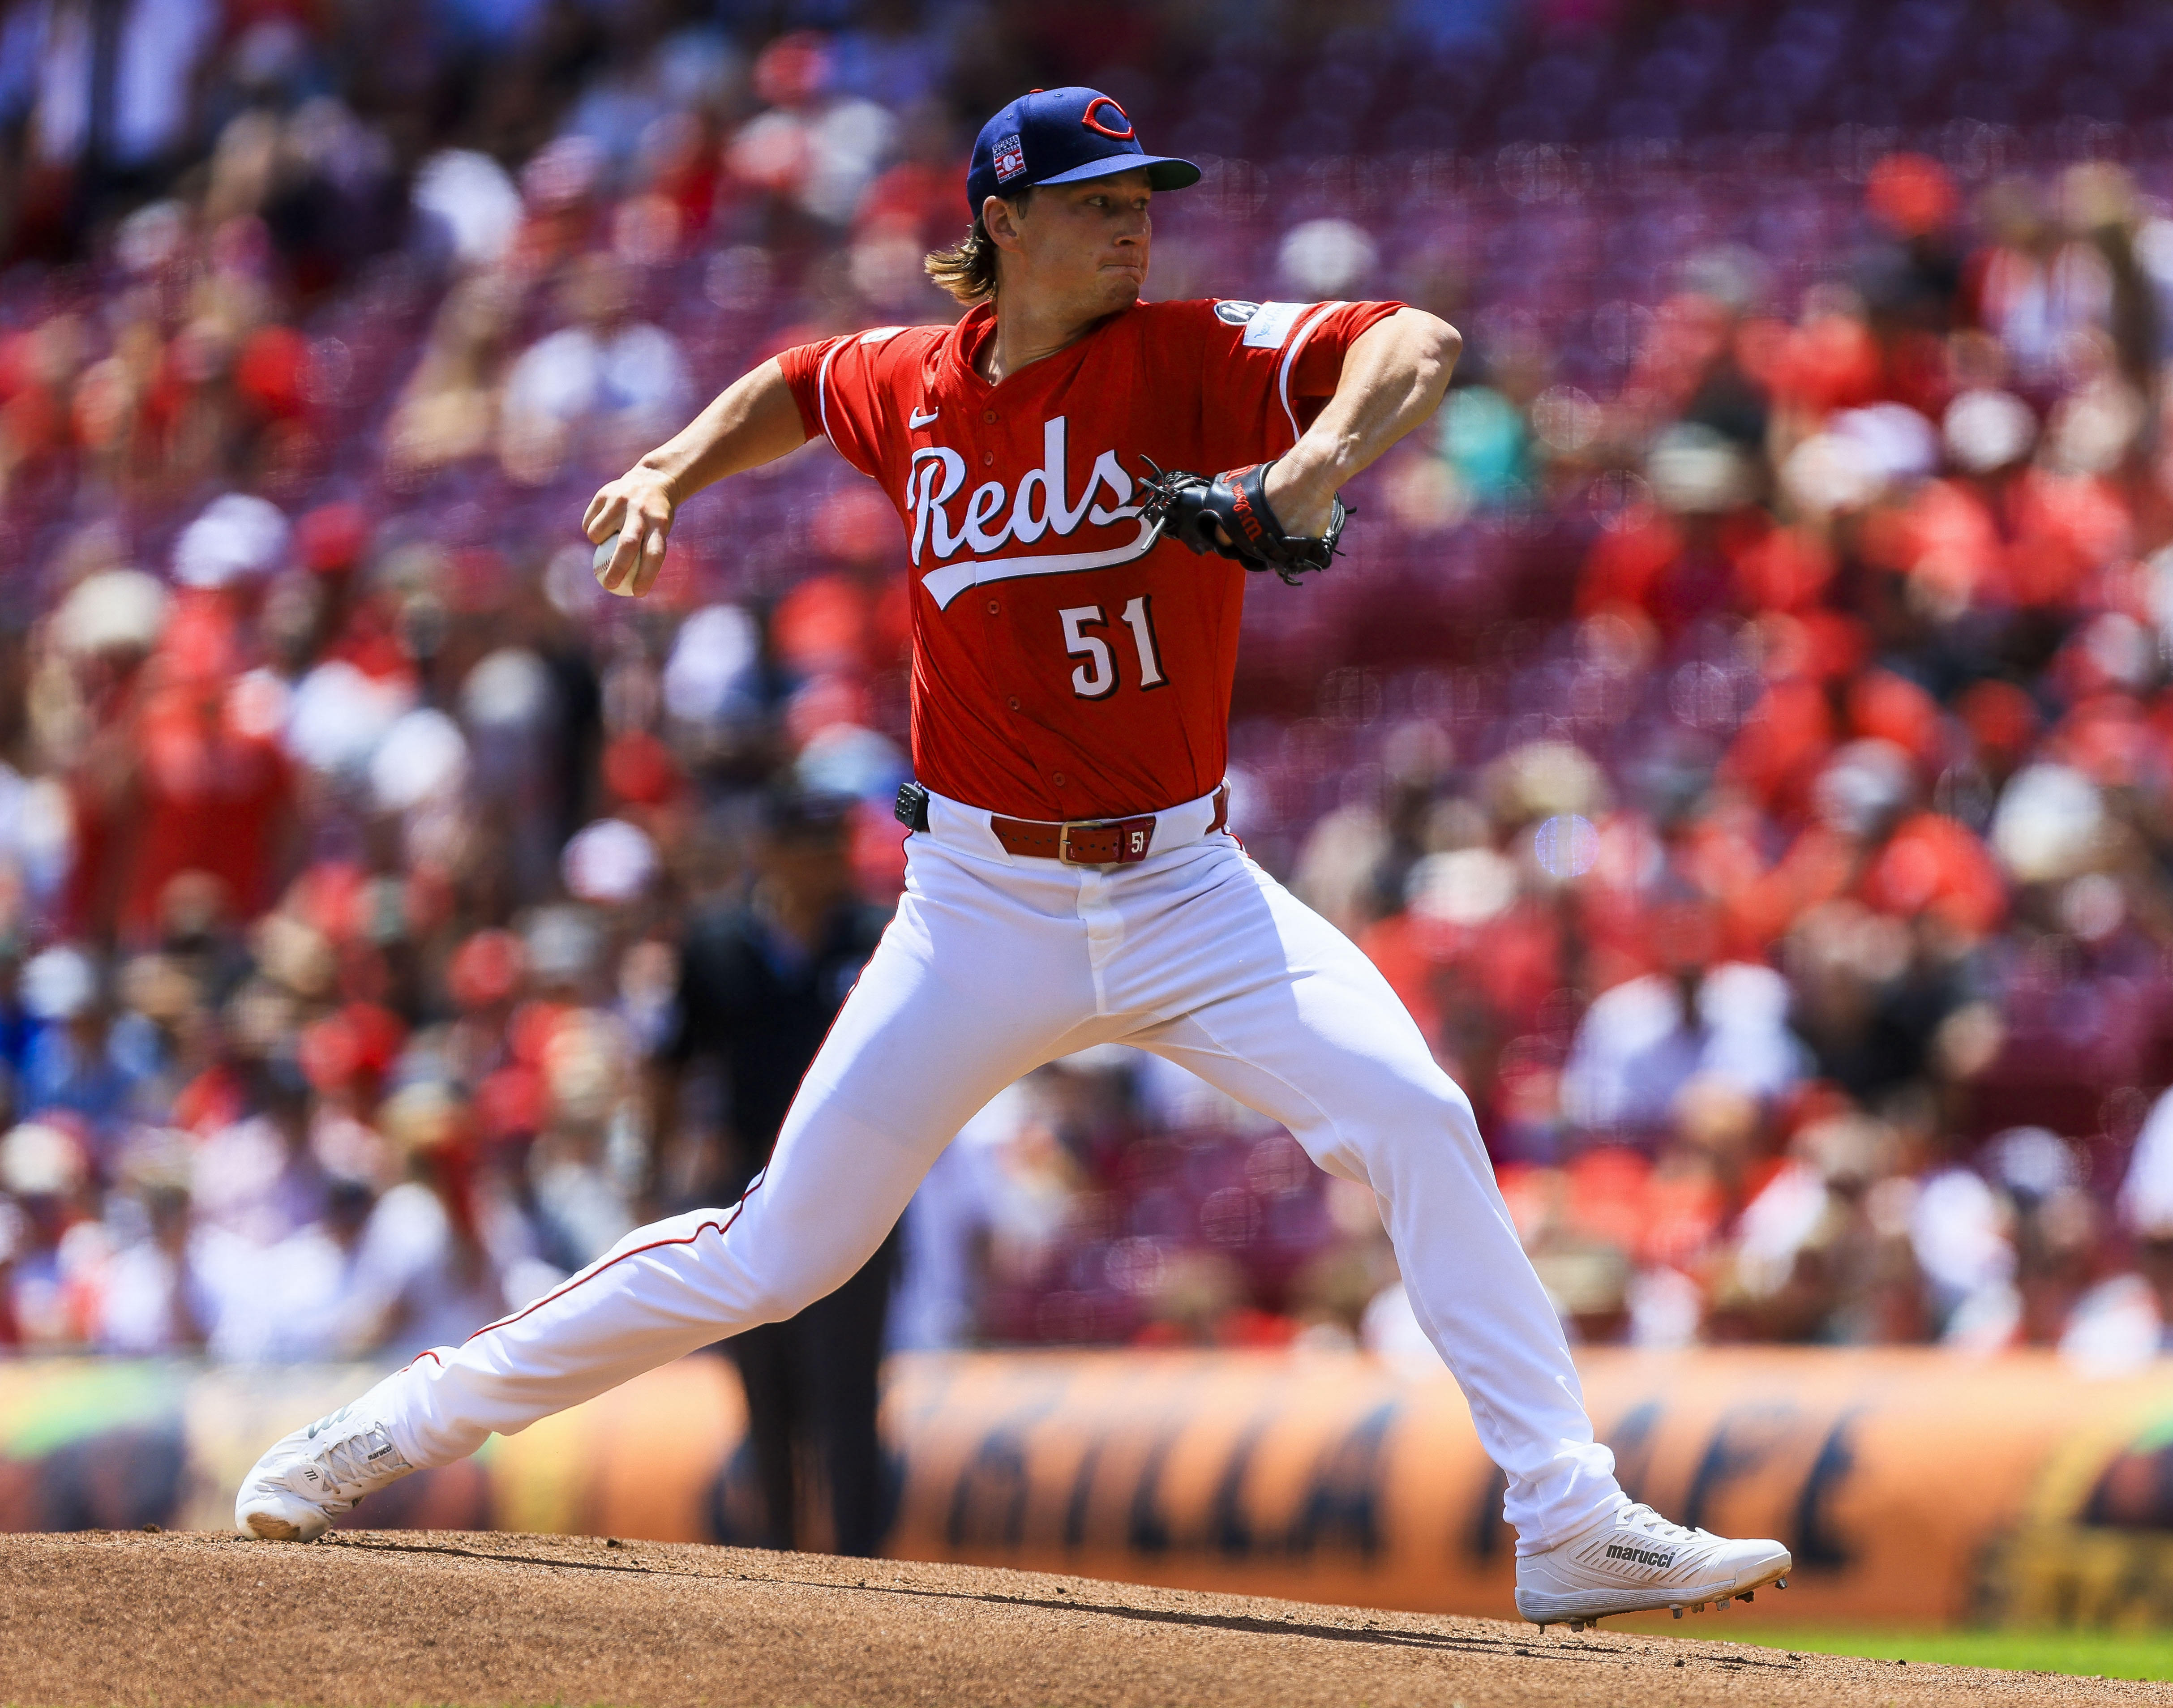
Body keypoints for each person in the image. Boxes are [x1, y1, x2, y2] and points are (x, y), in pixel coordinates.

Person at [235, 86, 1790, 1630]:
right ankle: (393, 1424)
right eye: (1098, 202)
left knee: (1417, 1113)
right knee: (777, 1252)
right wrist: (665, 470)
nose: (1135, 226)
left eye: (1141, 200)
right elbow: (796, 380)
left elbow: (1418, 343)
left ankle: (1566, 1518)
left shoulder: (1187, 353)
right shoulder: (915, 384)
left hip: (1187, 889)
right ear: (1002, 222)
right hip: (978, 906)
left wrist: (1310, 462)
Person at [656, 788, 899, 1555]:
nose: (829, 863)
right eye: (812, 848)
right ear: (771, 854)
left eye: (835, 846)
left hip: (857, 1186)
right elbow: (670, 1066)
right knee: (764, 1383)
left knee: (847, 1384)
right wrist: (655, 1173)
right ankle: (780, 1561)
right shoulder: (716, 945)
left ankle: (861, 1567)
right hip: (748, 1184)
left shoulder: (880, 936)